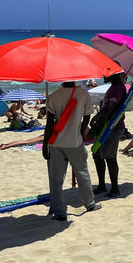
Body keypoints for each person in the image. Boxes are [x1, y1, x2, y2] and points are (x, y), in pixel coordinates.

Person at [43, 81, 100, 221]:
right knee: (82, 172)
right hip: (75, 142)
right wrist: (80, 133)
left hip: (56, 142)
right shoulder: (83, 94)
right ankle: (90, 203)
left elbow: (49, 124)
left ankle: (60, 212)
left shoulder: (53, 96)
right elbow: (87, 116)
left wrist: (45, 145)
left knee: (56, 178)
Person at [92, 72, 127, 197]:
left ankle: (114, 188)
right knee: (97, 155)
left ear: (114, 75)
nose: (103, 76)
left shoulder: (117, 88)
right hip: (105, 127)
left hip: (112, 127)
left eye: (106, 74)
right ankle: (102, 185)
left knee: (110, 157)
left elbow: (110, 107)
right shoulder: (114, 87)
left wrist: (96, 117)